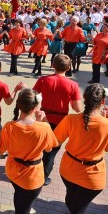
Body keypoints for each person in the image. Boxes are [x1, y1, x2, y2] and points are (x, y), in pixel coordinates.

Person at [0, 88, 58, 214]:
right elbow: (51, 147)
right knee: (22, 212)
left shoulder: (9, 126)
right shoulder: (43, 128)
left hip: (13, 171)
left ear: (19, 106)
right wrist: (45, 121)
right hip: (32, 176)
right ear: (34, 108)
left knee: (20, 197)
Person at [53, 84, 108, 214]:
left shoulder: (70, 119)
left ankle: (72, 211)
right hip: (92, 175)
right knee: (79, 210)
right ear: (103, 101)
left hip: (68, 168)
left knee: (71, 195)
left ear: (85, 99)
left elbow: (56, 140)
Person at [33, 54, 83, 185]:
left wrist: (38, 111)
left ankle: (32, 168)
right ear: (68, 68)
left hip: (43, 118)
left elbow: (34, 97)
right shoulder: (73, 85)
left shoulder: (43, 80)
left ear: (53, 65)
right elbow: (78, 108)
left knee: (39, 146)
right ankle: (43, 176)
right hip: (61, 121)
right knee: (52, 151)